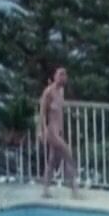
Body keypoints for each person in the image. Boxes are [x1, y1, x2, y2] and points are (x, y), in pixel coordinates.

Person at [38, 67, 79, 198]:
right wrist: (41, 130)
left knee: (52, 160)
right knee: (68, 156)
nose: (63, 77)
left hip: (59, 131)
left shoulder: (61, 91)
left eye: (65, 75)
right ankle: (74, 189)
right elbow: (42, 113)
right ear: (55, 76)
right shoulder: (48, 92)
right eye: (60, 74)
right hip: (52, 131)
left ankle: (45, 190)